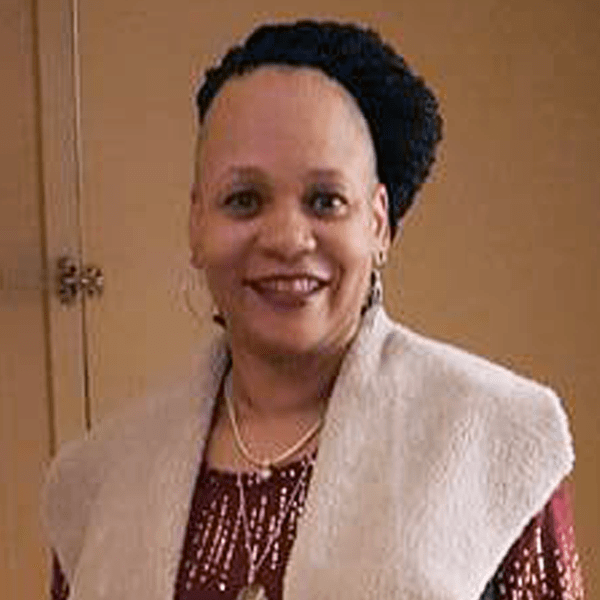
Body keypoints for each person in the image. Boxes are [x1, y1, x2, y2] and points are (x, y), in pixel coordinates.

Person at [44, 20, 584, 600]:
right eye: (243, 200)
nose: (287, 239)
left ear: (378, 223)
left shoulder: (495, 444)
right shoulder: (96, 483)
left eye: (325, 201)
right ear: (197, 224)